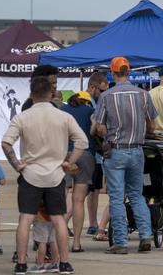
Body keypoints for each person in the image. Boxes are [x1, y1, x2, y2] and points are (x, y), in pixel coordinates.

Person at [2, 75, 86, 275]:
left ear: (31, 94)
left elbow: (6, 143)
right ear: (52, 93)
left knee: (26, 219)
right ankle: (64, 263)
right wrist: (69, 162)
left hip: (31, 174)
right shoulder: (63, 116)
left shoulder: (22, 117)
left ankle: (21, 263)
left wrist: (16, 164)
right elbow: (82, 141)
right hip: (55, 175)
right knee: (58, 220)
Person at [90, 56, 157, 255]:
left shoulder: (107, 96)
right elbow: (152, 126)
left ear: (113, 73)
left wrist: (103, 129)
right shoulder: (144, 94)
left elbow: (100, 128)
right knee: (137, 195)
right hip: (137, 150)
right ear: (129, 71)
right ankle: (145, 236)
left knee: (117, 198)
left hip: (116, 151)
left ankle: (120, 242)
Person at [60, 91, 96, 253]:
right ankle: (76, 243)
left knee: (59, 198)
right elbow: (96, 129)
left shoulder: (62, 110)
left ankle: (54, 241)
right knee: (78, 200)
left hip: (64, 155)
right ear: (85, 101)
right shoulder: (90, 111)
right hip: (85, 154)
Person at [83, 72, 108, 240]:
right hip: (91, 154)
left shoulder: (90, 101)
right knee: (84, 191)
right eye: (101, 90)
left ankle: (92, 223)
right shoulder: (87, 102)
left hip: (93, 155)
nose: (103, 94)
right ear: (93, 87)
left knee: (94, 191)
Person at [30, 203, 58, 275]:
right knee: (52, 241)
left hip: (40, 217)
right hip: (53, 215)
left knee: (42, 242)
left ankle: (40, 264)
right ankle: (55, 263)